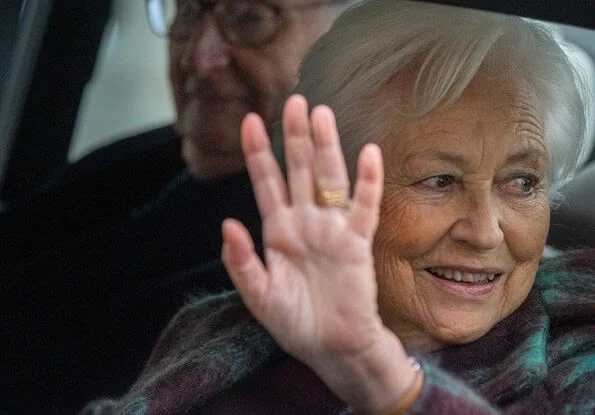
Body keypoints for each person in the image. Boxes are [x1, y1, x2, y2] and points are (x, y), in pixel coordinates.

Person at [84, 1, 594, 413]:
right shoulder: (214, 331)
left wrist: (381, 378)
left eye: (523, 182)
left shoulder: (577, 352)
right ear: (334, 190)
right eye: (439, 180)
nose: (485, 233)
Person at [2, 1, 357, 414]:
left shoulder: (327, 263)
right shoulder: (133, 163)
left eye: (250, 17)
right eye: (187, 12)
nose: (197, 56)